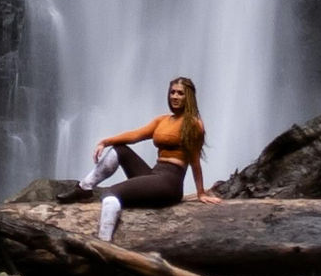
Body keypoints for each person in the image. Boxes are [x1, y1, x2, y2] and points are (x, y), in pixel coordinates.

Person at [56, 77, 222, 240]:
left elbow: (194, 160)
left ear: (189, 97)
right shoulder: (162, 120)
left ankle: (104, 246)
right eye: (172, 92)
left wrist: (200, 192)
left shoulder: (193, 124)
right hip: (154, 175)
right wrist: (105, 142)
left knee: (110, 195)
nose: (175, 97)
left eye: (180, 93)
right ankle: (84, 188)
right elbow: (135, 135)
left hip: (170, 183)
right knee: (119, 150)